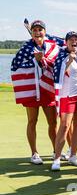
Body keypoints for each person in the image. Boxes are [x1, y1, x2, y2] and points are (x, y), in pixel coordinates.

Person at [11, 20, 65, 164]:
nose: (37, 32)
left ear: (45, 32)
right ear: (32, 32)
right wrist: (34, 61)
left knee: (53, 122)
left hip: (47, 89)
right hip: (32, 90)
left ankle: (56, 151)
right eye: (34, 30)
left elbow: (58, 62)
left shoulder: (53, 47)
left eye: (40, 29)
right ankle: (34, 153)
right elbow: (16, 65)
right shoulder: (26, 48)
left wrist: (44, 60)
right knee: (32, 121)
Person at [51, 14, 77, 170]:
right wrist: (69, 58)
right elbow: (62, 72)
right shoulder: (61, 56)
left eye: (76, 39)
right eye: (71, 40)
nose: (74, 41)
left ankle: (73, 155)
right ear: (66, 42)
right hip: (68, 96)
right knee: (64, 126)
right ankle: (56, 158)